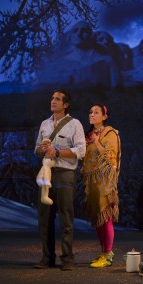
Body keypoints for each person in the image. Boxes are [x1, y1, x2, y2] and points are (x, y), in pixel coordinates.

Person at [34, 89, 86, 271]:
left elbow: (81, 151)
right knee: (44, 218)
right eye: (52, 98)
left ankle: (68, 258)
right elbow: (36, 149)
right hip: (46, 172)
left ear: (66, 105)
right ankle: (47, 258)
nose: (53, 101)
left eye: (57, 99)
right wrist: (43, 148)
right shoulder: (44, 124)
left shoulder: (75, 124)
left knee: (66, 217)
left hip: (65, 173)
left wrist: (57, 152)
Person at [82, 104, 121, 268]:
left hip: (105, 181)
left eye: (96, 112)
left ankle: (108, 254)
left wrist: (97, 142)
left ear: (104, 116)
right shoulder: (88, 134)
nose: (92, 114)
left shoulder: (110, 133)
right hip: (92, 181)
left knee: (106, 217)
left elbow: (110, 157)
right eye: (90, 111)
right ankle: (103, 251)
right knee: (97, 218)